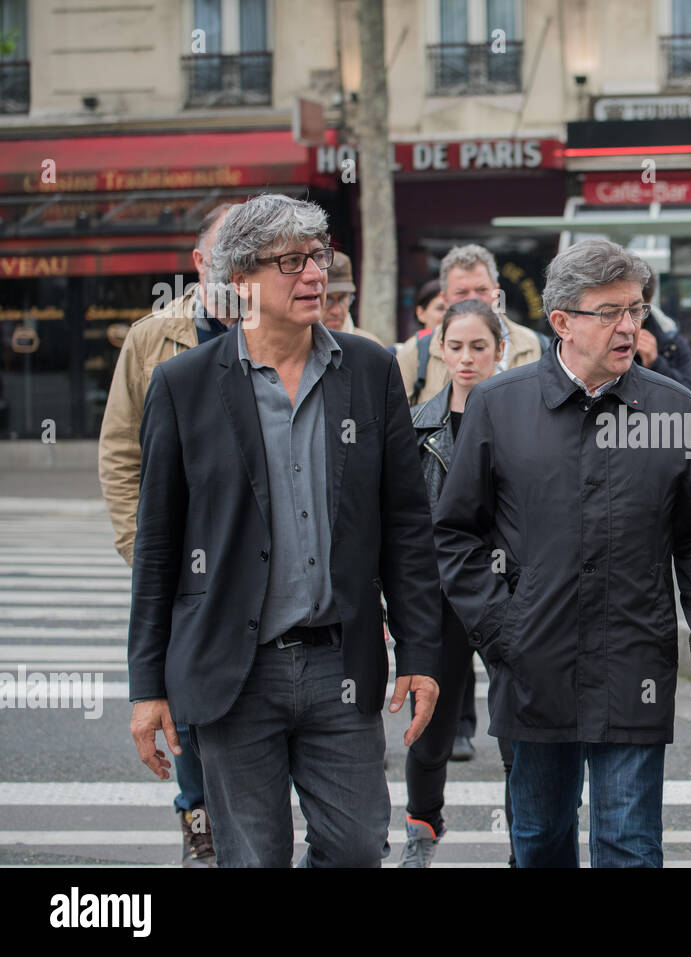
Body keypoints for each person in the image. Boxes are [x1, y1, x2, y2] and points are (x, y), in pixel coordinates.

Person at [127, 194, 442, 868]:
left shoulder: (368, 369)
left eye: (317, 258)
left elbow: (406, 525)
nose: (313, 276)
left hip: (341, 663)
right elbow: (158, 545)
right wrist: (146, 687)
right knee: (253, 855)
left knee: (357, 847)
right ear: (240, 282)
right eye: (290, 262)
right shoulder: (182, 385)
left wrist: (420, 650)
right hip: (231, 670)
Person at [434, 238, 691, 868]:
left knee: (629, 844)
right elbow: (456, 534)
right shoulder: (499, 404)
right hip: (533, 663)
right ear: (563, 322)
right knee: (541, 841)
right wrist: (503, 629)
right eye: (610, 312)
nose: (630, 326)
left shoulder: (672, 407)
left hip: (634, 659)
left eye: (637, 309)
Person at [99, 202, 234, 867]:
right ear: (200, 262)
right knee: (184, 701)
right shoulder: (154, 336)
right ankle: (200, 827)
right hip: (183, 561)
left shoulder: (292, 323)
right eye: (227, 249)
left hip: (263, 559)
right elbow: (120, 450)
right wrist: (141, 549)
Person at [403, 298, 522, 867]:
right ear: (439, 350)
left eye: (480, 347)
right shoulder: (417, 426)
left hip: (510, 593)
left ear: (501, 351)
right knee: (432, 723)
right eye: (456, 347)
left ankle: (531, 835)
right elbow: (399, 525)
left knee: (524, 725)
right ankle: (422, 830)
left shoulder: (525, 422)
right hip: (437, 595)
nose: (467, 358)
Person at [398, 244, 542, 405]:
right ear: (444, 298)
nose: (473, 298)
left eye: (481, 290)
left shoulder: (536, 346)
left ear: (496, 293)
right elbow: (400, 422)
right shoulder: (416, 351)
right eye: (461, 292)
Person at [634, 270, 691, 410]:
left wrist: (656, 364)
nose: (626, 325)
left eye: (634, 310)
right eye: (612, 311)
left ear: (648, 304)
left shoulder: (671, 341)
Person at [321, 250, 385, 346]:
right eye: (328, 300)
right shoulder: (299, 349)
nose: (336, 311)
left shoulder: (370, 346)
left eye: (342, 299)